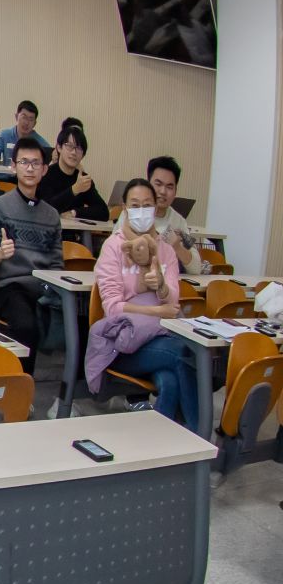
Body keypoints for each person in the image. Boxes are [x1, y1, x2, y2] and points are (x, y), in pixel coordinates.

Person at [92, 178, 199, 430]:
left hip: (159, 337)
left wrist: (161, 285)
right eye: (135, 205)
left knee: (170, 381)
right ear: (125, 208)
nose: (141, 211)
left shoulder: (165, 250)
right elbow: (113, 308)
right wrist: (156, 311)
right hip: (123, 342)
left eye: (147, 205)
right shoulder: (113, 247)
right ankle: (200, 437)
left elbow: (173, 301)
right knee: (183, 353)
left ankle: (162, 443)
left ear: (155, 208)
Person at [0, 134, 61, 364]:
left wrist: (53, 290)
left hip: (44, 286)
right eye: (24, 162)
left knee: (80, 318)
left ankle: (72, 384)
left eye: (36, 163)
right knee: (27, 326)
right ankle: (23, 382)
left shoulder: (52, 215)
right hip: (11, 286)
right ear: (13, 166)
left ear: (44, 169)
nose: (30, 168)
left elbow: (57, 263)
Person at [43, 121, 109, 222]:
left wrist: (75, 212)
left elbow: (103, 212)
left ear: (83, 154)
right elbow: (45, 209)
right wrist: (74, 189)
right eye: (69, 146)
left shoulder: (83, 179)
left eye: (79, 148)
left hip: (74, 230)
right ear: (59, 147)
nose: (74, 152)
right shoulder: (46, 173)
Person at [145, 156, 201, 272]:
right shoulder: (133, 214)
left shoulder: (179, 222)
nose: (163, 191)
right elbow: (112, 253)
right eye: (158, 184)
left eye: (169, 187)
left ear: (175, 191)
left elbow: (196, 268)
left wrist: (177, 247)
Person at [0, 100, 43, 165]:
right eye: (24, 117)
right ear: (16, 116)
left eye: (31, 119)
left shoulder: (40, 142)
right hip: (8, 171)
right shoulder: (5, 135)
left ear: (34, 123)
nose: (26, 123)